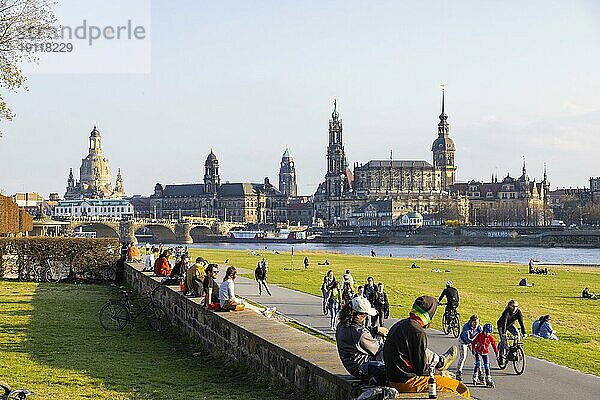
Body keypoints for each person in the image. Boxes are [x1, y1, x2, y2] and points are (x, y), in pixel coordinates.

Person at [383, 295, 469, 398]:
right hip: (407, 381)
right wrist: (441, 374)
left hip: (393, 378)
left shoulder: (401, 324)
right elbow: (421, 370)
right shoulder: (417, 331)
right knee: (461, 389)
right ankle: (440, 363)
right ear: (429, 313)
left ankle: (440, 362)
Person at [336, 297, 388, 384]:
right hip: (364, 368)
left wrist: (375, 329)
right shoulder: (361, 335)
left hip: (352, 365)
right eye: (365, 316)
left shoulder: (341, 325)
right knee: (387, 349)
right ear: (358, 315)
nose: (365, 318)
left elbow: (358, 329)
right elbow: (379, 348)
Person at [497, 299, 526, 364]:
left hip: (510, 325)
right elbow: (504, 322)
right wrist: (504, 333)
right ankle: (501, 356)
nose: (515, 308)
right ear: (510, 306)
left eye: (516, 306)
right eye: (513, 306)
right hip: (502, 325)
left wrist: (524, 333)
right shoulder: (506, 312)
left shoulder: (518, 312)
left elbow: (521, 322)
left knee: (517, 334)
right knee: (503, 340)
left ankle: (514, 349)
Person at [455, 314, 482, 382]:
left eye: (477, 323)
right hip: (463, 341)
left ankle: (479, 372)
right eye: (475, 323)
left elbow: (482, 335)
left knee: (476, 357)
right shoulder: (466, 327)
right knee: (463, 357)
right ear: (471, 322)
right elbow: (467, 338)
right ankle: (459, 372)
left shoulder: (479, 327)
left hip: (472, 341)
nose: (476, 325)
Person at [471, 323, 499, 387]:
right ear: (483, 331)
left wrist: (497, 353)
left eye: (489, 332)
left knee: (487, 366)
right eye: (486, 332)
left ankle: (488, 378)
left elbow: (494, 345)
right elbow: (474, 342)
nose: (487, 334)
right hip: (478, 352)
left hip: (485, 353)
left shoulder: (490, 337)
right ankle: (475, 376)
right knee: (478, 363)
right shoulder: (480, 335)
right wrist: (473, 349)